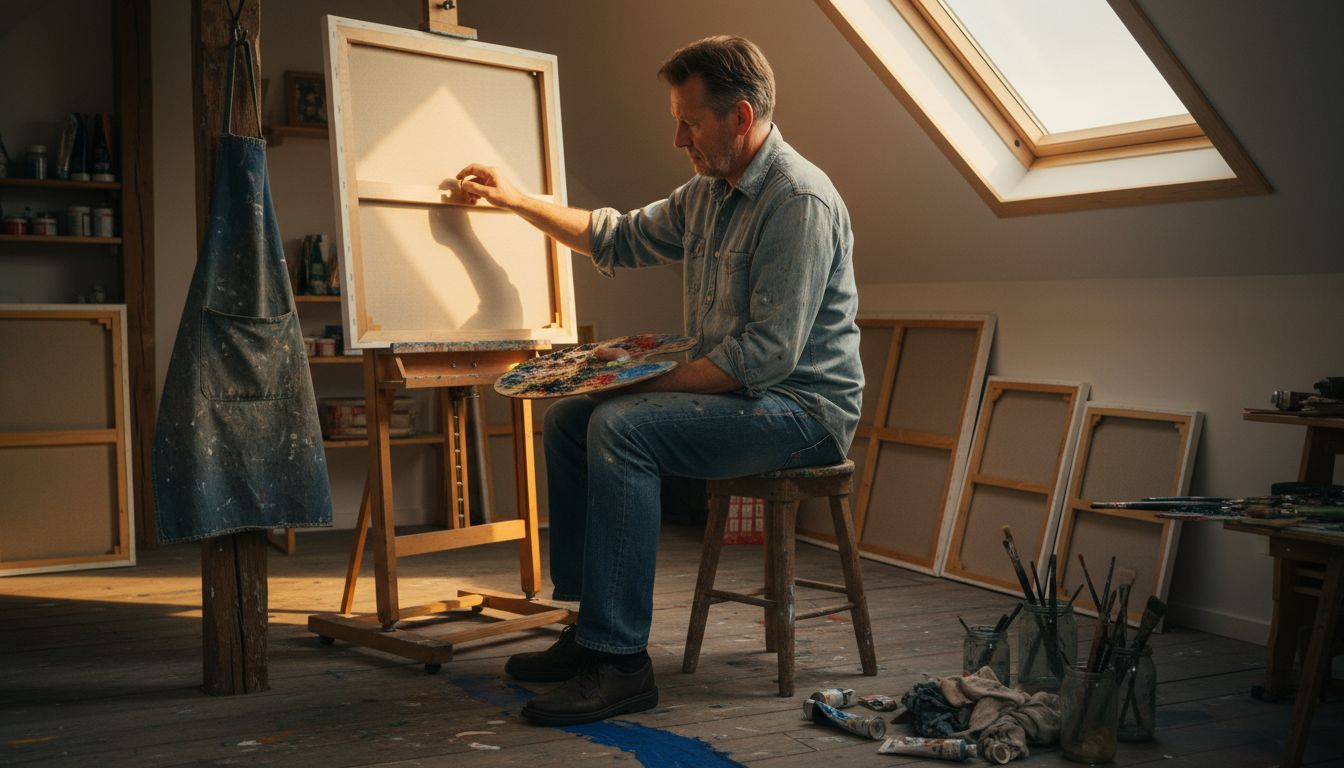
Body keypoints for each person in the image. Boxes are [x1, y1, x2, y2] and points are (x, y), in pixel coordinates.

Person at [456, 35, 862, 727]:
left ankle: (621, 664)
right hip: (748, 398)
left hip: (802, 413)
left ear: (738, 117)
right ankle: (590, 630)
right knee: (570, 422)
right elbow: (613, 235)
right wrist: (515, 199)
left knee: (623, 424)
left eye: (689, 121)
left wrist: (642, 384)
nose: (678, 138)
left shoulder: (798, 200)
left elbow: (764, 356)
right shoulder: (710, 191)